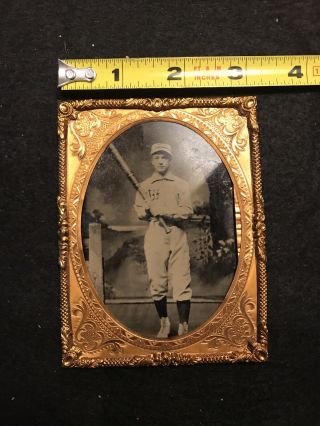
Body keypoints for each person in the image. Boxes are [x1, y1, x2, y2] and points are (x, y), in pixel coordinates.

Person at [134, 143, 193, 338]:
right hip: (155, 233)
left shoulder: (181, 184)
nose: (161, 161)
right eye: (157, 157)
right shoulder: (144, 186)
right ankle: (164, 323)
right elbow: (139, 212)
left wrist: (167, 213)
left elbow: (187, 211)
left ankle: (184, 325)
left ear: (170, 160)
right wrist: (148, 211)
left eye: (165, 157)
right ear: (152, 160)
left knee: (181, 280)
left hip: (177, 233)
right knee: (157, 280)